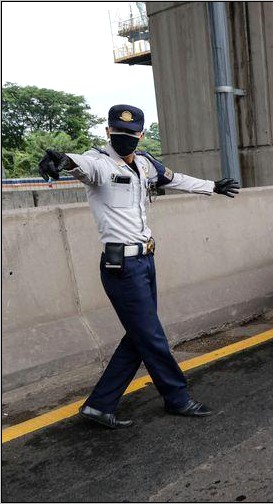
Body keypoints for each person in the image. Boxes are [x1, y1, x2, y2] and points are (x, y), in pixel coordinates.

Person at [37, 104, 240, 429]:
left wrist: (212, 186)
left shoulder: (145, 163)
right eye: (118, 133)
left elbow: (175, 179)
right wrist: (62, 160)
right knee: (152, 337)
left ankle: (100, 405)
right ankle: (177, 398)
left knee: (140, 335)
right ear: (108, 132)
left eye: (131, 134)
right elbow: (80, 165)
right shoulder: (100, 164)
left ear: (140, 134)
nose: (125, 138)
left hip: (145, 261)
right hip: (122, 267)